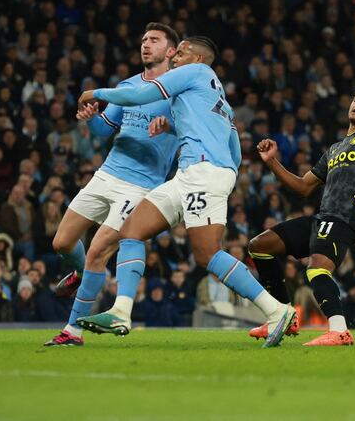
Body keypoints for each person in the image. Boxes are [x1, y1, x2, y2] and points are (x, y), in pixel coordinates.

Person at [76, 36, 295, 348]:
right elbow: (233, 148)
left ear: (199, 58)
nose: (175, 55)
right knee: (131, 231)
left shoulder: (194, 72)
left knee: (207, 254)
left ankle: (277, 310)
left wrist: (95, 92)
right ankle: (121, 312)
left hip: (202, 173)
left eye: (181, 51)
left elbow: (142, 93)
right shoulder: (218, 99)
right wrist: (175, 130)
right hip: (193, 174)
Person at [44, 23, 181, 346]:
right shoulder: (128, 85)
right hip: (106, 174)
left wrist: (169, 125)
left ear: (171, 51)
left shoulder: (178, 90)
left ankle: (72, 330)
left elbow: (191, 126)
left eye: (154, 40)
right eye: (144, 39)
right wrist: (93, 117)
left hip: (141, 185)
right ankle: (82, 275)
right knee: (62, 243)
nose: (146, 45)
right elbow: (106, 130)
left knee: (97, 251)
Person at [247, 82, 355, 345]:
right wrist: (272, 162)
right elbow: (303, 187)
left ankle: (339, 329)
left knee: (317, 267)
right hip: (322, 217)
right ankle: (284, 316)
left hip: (344, 218)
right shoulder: (335, 148)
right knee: (260, 245)